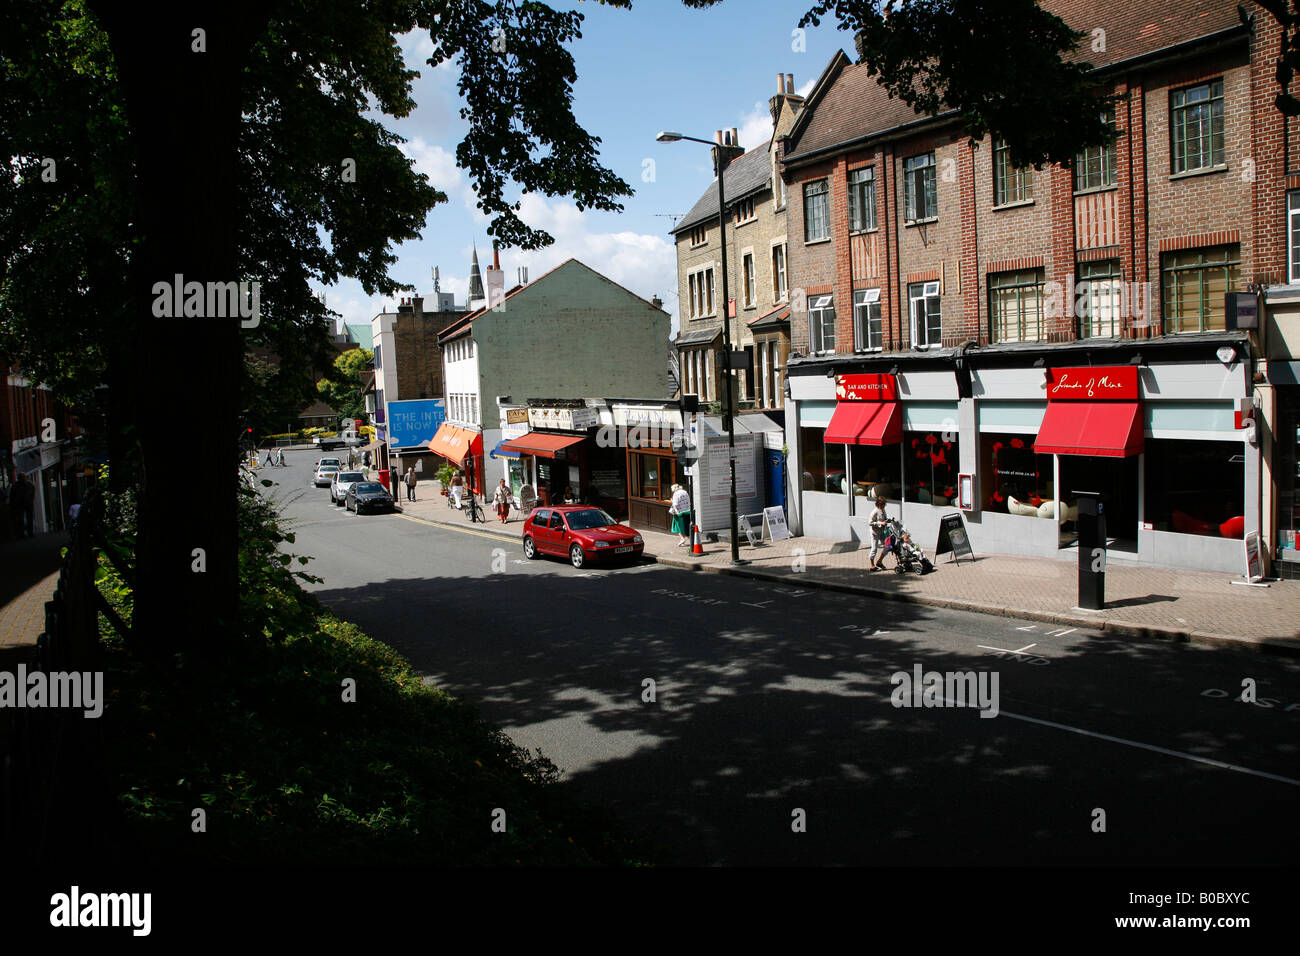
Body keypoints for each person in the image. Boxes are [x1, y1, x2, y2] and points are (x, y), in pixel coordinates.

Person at [868, 496, 890, 571]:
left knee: (888, 546)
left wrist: (887, 521)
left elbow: (884, 518)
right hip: (875, 532)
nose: (884, 506)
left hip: (881, 532)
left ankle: (879, 561)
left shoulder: (883, 510)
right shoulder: (874, 512)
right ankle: (872, 565)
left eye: (884, 504)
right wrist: (881, 523)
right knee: (874, 548)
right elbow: (870, 523)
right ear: (879, 504)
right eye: (883, 504)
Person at [668, 482, 692, 547]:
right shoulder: (685, 492)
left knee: (678, 526)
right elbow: (689, 501)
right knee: (685, 526)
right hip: (687, 511)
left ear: (674, 489)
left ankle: (682, 538)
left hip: (679, 513)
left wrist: (672, 501)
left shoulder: (675, 494)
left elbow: (675, 504)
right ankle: (683, 540)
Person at [11, 473, 34, 538]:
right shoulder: (29, 484)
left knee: (22, 519)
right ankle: (28, 533)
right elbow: (32, 493)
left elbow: (12, 496)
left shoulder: (15, 485)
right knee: (26, 518)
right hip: (24, 503)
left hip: (21, 503)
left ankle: (23, 533)